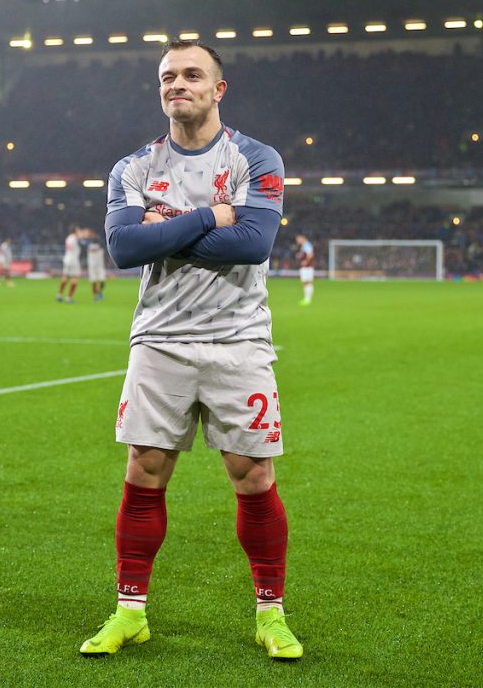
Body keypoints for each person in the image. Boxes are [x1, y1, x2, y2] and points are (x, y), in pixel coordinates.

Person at [79, 41, 302, 660]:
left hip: (240, 340)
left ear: (218, 89)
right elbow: (123, 251)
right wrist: (210, 215)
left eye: (192, 75)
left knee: (253, 475)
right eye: (167, 77)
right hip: (160, 341)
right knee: (143, 472)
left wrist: (164, 232)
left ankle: (271, 614)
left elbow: (253, 243)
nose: (178, 84)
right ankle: (130, 611)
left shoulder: (255, 157)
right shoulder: (132, 168)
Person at [57, 225, 83, 302]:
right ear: (75, 231)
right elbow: (83, 243)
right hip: (73, 260)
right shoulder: (75, 238)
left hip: (67, 259)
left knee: (65, 277)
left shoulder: (68, 238)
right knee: (75, 278)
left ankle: (59, 294)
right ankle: (69, 297)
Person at [86, 228, 107, 301]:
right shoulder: (87, 243)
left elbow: (103, 248)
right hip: (92, 265)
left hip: (99, 265)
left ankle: (99, 292)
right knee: (93, 281)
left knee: (102, 280)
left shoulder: (100, 243)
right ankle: (95, 295)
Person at [295, 234, 314, 306]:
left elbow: (310, 254)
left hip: (307, 267)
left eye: (298, 239)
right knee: (306, 282)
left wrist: (306, 261)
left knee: (308, 282)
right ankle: (307, 298)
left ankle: (308, 299)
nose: (298, 241)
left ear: (303, 238)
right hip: (306, 267)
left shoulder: (307, 245)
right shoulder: (304, 246)